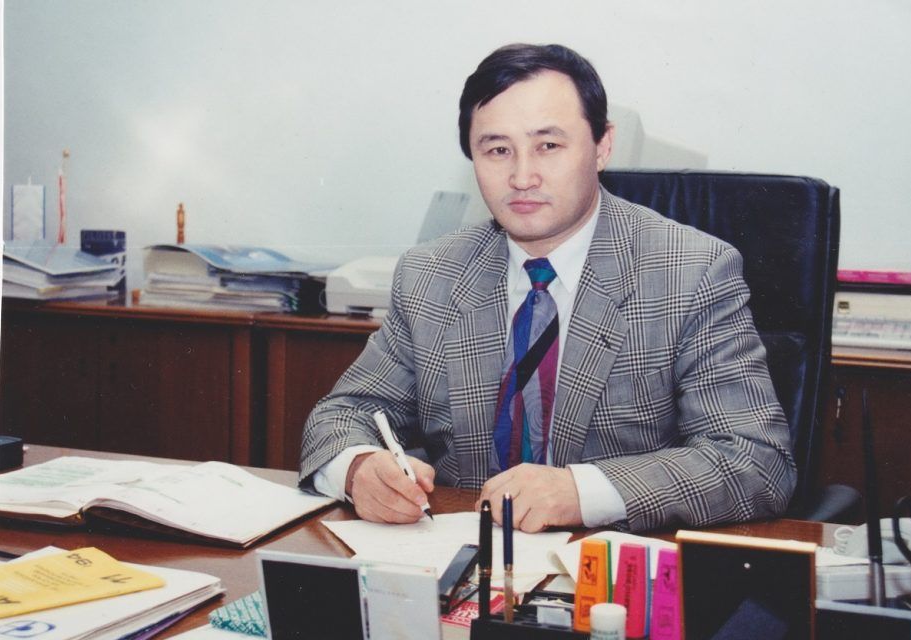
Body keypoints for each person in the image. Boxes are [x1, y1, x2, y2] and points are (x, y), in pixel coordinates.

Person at [300, 43, 796, 534]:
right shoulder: (431, 273)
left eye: (548, 146)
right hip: (462, 559)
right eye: (497, 150)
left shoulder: (690, 271)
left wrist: (582, 492)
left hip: (608, 566)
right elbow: (343, 414)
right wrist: (359, 468)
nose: (522, 177)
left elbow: (755, 460)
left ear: (603, 146)